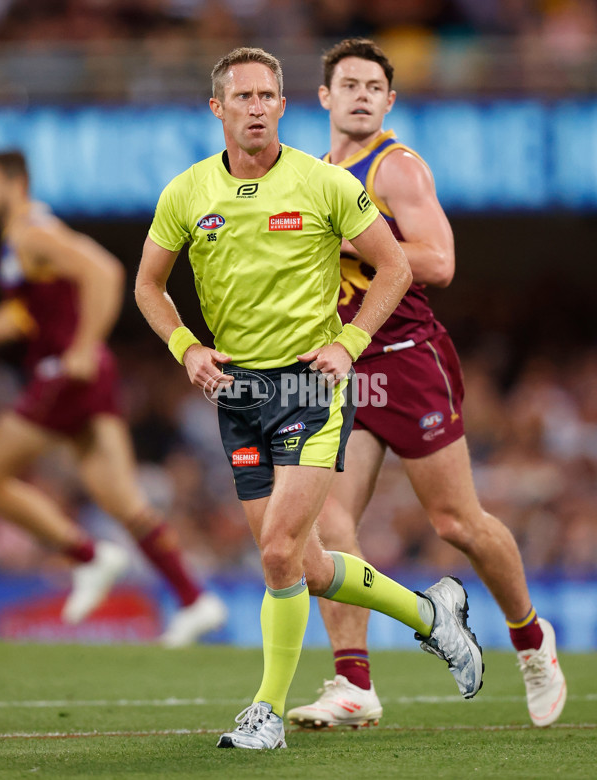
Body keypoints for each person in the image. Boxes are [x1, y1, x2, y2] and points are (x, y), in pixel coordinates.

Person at [135, 46, 484, 751]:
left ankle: (264, 713)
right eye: (244, 97)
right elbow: (148, 286)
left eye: (269, 96)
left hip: (308, 386)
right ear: (219, 108)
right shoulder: (185, 193)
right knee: (311, 566)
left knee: (276, 554)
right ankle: (431, 614)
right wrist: (187, 349)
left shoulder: (323, 183)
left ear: (284, 105)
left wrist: (350, 344)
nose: (257, 107)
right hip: (237, 391)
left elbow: (394, 266)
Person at [286, 38, 566, 731]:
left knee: (456, 523)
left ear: (388, 101)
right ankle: (354, 684)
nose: (358, 94)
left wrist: (341, 238)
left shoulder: (396, 167)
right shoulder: (313, 173)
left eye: (372, 86)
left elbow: (437, 261)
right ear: (323, 98)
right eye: (346, 84)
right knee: (327, 523)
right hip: (342, 365)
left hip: (408, 358)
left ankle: (531, 640)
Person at [0, 150, 227, 648]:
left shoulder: (32, 231)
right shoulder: (18, 242)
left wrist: (81, 346)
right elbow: (25, 317)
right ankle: (193, 598)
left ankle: (87, 556)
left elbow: (104, 272)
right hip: (82, 373)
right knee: (121, 497)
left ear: (15, 183)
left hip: (65, 371)